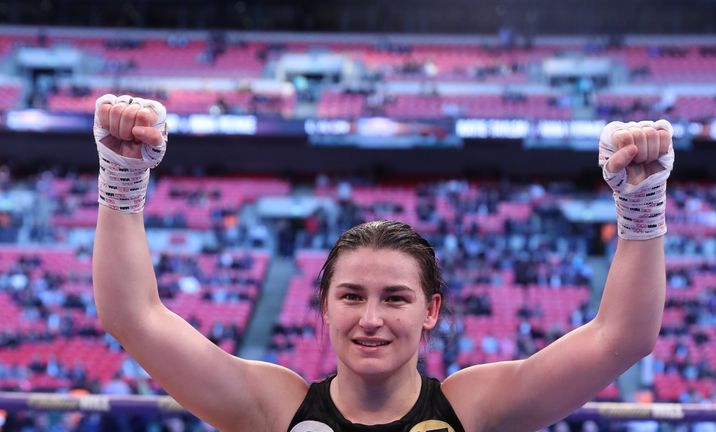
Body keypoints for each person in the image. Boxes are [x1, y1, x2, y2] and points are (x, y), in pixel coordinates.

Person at [92, 93, 674, 432]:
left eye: (395, 298)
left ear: (431, 310)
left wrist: (642, 206)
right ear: (324, 306)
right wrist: (123, 177)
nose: (370, 318)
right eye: (351, 296)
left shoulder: (474, 408)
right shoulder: (274, 408)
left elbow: (623, 337)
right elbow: (133, 316)